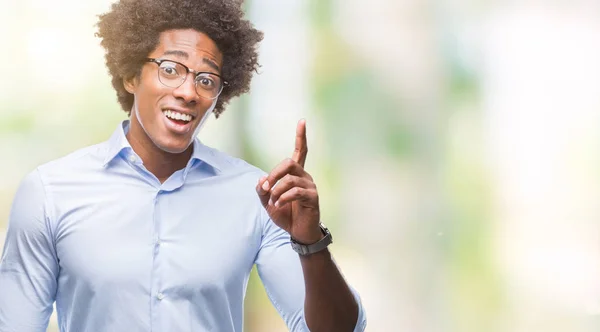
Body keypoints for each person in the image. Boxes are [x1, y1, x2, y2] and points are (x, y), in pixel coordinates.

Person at [0, 0, 366, 331]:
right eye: (171, 69)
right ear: (131, 76)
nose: (189, 92)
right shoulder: (50, 192)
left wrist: (310, 241)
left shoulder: (258, 196)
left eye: (206, 79)